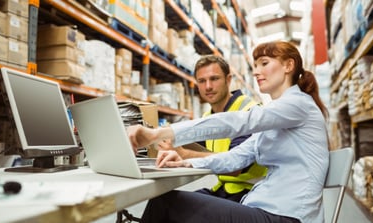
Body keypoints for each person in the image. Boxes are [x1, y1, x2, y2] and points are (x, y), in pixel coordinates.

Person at [127, 41, 329, 223]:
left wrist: (157, 134)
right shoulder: (276, 115)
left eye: (264, 63)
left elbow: (237, 121)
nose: (257, 72)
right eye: (255, 66)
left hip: (288, 216)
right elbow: (236, 157)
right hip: (262, 206)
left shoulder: (298, 104)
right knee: (167, 204)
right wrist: (186, 162)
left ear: (288, 65)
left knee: (166, 203)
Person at [157, 55, 266, 202]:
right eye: (202, 81)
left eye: (214, 79)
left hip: (250, 194)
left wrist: (184, 154)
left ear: (228, 80)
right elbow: (193, 144)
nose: (208, 86)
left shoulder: (248, 112)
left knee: (167, 205)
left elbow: (235, 167)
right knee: (163, 201)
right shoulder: (208, 116)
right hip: (224, 189)